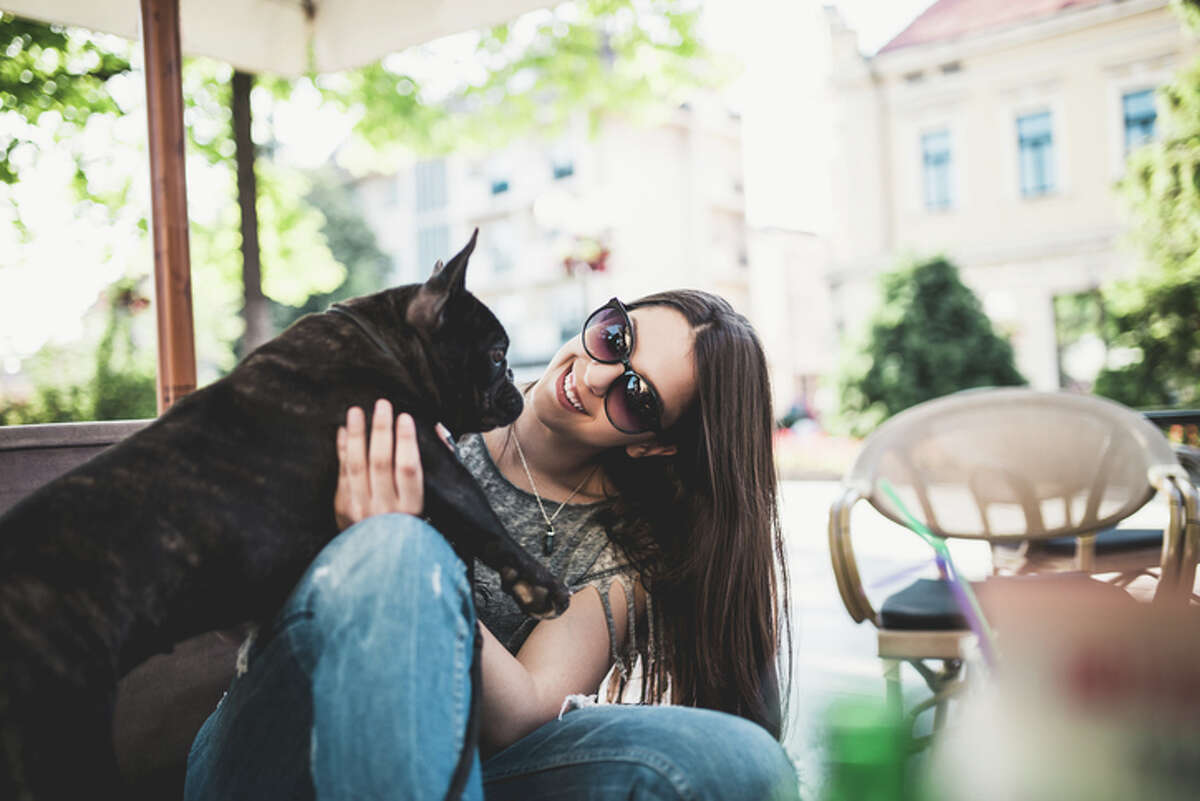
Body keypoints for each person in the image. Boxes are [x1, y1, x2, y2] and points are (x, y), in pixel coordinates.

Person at [185, 290, 799, 800]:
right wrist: (371, 541)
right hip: (285, 738)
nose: (592, 374)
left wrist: (407, 543)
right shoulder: (418, 387)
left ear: (653, 444)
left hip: (462, 766)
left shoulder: (623, 553)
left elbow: (522, 713)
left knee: (744, 763)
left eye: (636, 397)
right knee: (398, 553)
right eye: (616, 337)